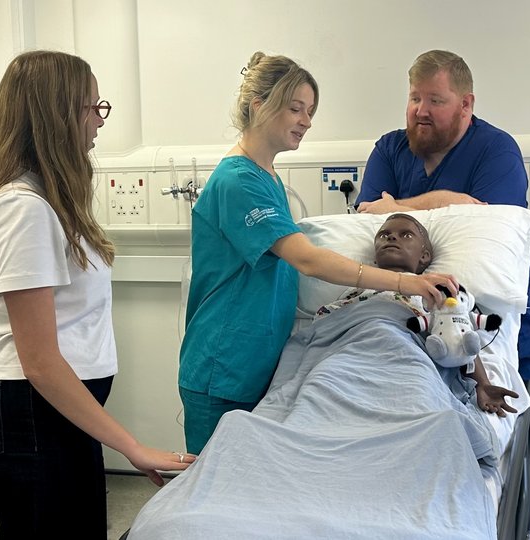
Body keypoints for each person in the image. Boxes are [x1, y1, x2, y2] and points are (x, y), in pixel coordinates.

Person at [0, 51, 194, 538]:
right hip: (26, 413)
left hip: (52, 412)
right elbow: (39, 361)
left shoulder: (46, 199)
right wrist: (132, 445)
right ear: (56, 114)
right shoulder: (21, 207)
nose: (99, 123)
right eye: (92, 107)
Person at [179, 52, 458, 455]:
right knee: (214, 486)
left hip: (257, 362)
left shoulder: (267, 176)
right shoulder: (238, 182)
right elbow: (307, 259)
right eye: (296, 109)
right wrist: (405, 283)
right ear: (259, 106)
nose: (307, 121)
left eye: (310, 111)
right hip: (223, 365)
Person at [355, 49, 530, 539]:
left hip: (489, 321)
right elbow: (367, 215)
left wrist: (397, 205)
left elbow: (492, 222)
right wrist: (444, 202)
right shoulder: (389, 149)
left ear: (466, 104)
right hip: (398, 314)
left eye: (435, 100)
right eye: (413, 98)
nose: (420, 111)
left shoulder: (496, 151)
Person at [315, 213, 520, 417]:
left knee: (419, 404)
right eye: (384, 235)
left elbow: (457, 336)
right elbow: (325, 329)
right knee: (320, 392)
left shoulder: (435, 293)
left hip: (406, 363)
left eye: (406, 235)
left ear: (424, 256)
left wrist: (483, 384)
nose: (392, 238)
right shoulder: (355, 290)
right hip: (348, 361)